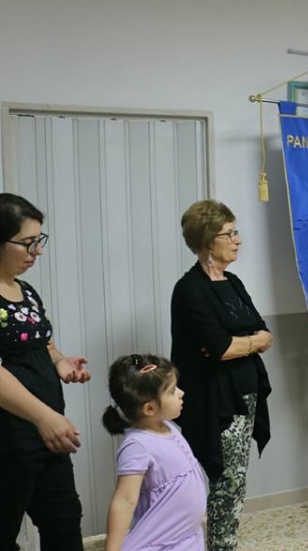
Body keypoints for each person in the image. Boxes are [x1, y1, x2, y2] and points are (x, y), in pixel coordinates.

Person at [170, 200, 274, 551]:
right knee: (225, 482)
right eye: (228, 234)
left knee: (235, 481)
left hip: (246, 393)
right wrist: (245, 343)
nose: (237, 240)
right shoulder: (190, 288)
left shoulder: (233, 282)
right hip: (215, 399)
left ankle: (222, 544)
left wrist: (240, 343)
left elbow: (264, 332)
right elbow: (221, 348)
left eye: (236, 232)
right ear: (205, 241)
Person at [0, 193, 91, 550]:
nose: (36, 251)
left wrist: (59, 361)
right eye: (27, 243)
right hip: (11, 438)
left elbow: (42, 342)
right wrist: (43, 417)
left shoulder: (25, 290)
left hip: (48, 434)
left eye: (39, 241)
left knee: (64, 523)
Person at [103, 354, 206, 551]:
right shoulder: (137, 446)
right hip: (160, 544)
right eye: (172, 391)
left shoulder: (167, 426)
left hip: (186, 537)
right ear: (150, 408)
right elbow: (124, 500)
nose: (181, 393)